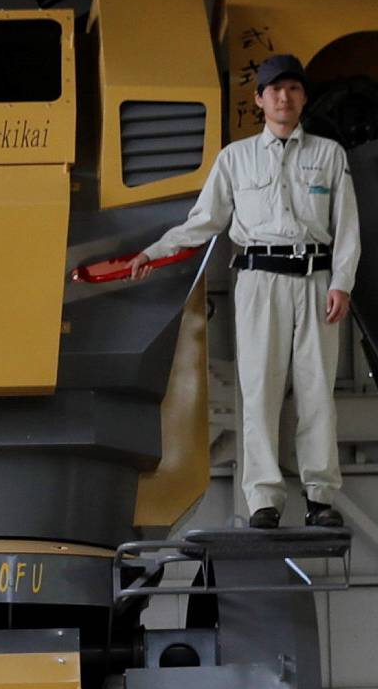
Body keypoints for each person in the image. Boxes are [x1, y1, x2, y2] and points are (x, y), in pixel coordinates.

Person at [128, 53, 361, 531]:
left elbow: (349, 229)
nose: (283, 96)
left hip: (317, 282)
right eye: (274, 89)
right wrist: (154, 251)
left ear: (303, 97)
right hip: (259, 281)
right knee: (259, 390)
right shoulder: (235, 159)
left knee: (317, 392)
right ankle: (263, 500)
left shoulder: (329, 155)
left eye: (293, 88)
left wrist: (342, 283)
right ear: (258, 99)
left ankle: (320, 496)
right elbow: (205, 221)